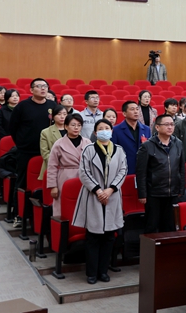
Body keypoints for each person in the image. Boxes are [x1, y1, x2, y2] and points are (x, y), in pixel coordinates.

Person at [72, 119, 127, 285]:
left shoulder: (119, 150)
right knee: (93, 237)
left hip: (112, 196)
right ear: (95, 133)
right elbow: (84, 172)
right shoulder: (89, 149)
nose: (104, 131)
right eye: (100, 128)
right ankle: (91, 273)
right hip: (93, 195)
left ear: (112, 131)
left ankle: (103, 271)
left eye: (107, 128)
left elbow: (123, 171)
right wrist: (98, 190)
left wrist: (110, 189)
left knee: (109, 237)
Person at [9, 79, 58, 224]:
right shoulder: (22, 106)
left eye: (45, 86)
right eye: (39, 86)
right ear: (31, 90)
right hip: (26, 151)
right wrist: (22, 143)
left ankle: (43, 217)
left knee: (46, 183)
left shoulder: (52, 106)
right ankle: (19, 214)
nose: (43, 89)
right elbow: (13, 128)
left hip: (48, 152)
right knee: (22, 182)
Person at [136, 114, 185, 233]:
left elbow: (181, 168)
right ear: (157, 127)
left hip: (172, 192)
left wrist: (181, 188)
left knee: (170, 226)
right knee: (152, 226)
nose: (170, 127)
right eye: (166, 124)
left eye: (172, 124)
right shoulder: (147, 146)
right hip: (154, 193)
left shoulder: (178, 143)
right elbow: (141, 172)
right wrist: (142, 194)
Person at [46, 113, 91, 214]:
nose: (76, 128)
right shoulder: (59, 144)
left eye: (79, 125)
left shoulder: (87, 142)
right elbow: (52, 166)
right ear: (66, 126)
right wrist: (53, 186)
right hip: (65, 176)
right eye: (73, 125)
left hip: (84, 177)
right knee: (65, 206)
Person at [111, 101, 151, 175]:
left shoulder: (146, 129)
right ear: (124, 113)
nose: (136, 111)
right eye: (132, 109)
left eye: (137, 109)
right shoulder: (116, 130)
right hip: (124, 169)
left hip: (144, 169)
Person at [38, 105, 68, 180]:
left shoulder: (74, 130)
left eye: (64, 114)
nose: (62, 116)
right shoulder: (45, 132)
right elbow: (45, 153)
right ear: (53, 116)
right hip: (53, 168)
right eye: (59, 114)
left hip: (71, 168)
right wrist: (60, 163)